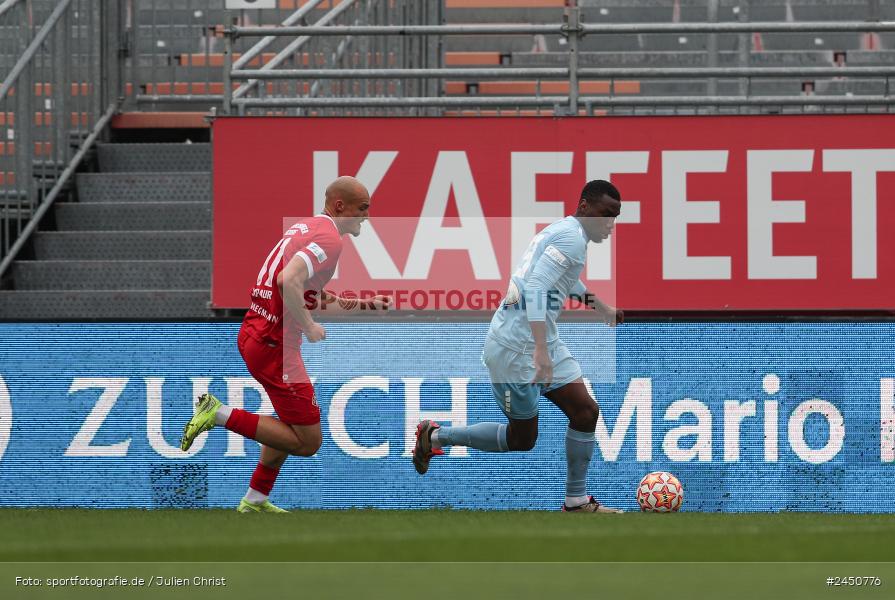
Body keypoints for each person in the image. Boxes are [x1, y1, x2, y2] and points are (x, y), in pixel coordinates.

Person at [180, 176, 391, 513]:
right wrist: (308, 326)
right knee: (308, 442)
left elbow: (307, 293)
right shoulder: (330, 240)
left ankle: (256, 498)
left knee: (287, 422)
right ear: (340, 206)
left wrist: (365, 304)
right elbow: (287, 280)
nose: (366, 216)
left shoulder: (305, 228)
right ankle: (217, 414)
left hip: (254, 332)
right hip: (276, 347)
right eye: (362, 208)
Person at [412, 180, 624, 513]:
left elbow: (563, 280)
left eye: (615, 217)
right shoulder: (570, 239)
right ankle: (435, 436)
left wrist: (601, 307)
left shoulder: (565, 233)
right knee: (522, 439)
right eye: (605, 214)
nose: (609, 224)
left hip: (540, 339)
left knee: (585, 411)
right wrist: (540, 351)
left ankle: (576, 501)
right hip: (515, 349)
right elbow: (537, 287)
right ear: (584, 207)